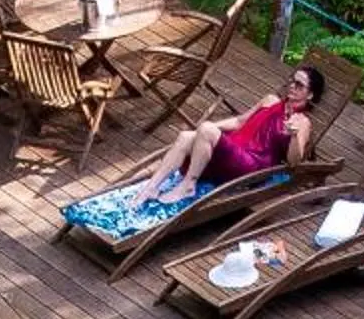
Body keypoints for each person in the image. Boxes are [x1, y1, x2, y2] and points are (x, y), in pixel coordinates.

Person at [127, 63, 323, 211]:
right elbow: (239, 122)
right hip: (236, 150)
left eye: (299, 85)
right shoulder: (270, 100)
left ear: (310, 95)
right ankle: (151, 187)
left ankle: (188, 185)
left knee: (206, 130)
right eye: (292, 80)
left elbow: (293, 162)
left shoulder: (302, 122)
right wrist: (206, 130)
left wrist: (294, 136)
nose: (292, 86)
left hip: (253, 163)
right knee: (187, 136)